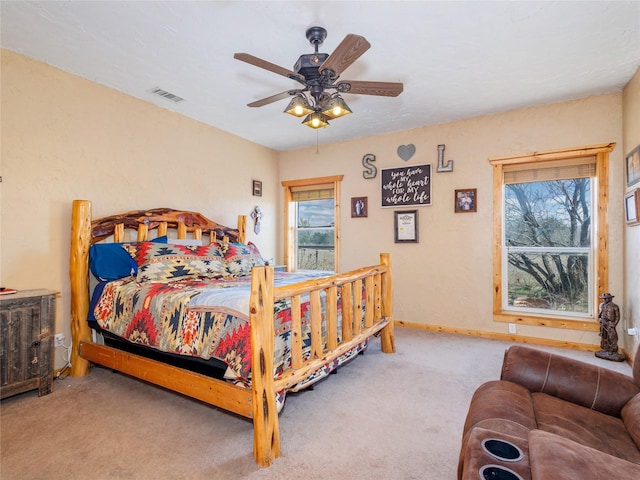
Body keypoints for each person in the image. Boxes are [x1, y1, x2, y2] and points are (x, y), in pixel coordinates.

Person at [596, 293, 624, 361]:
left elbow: (617, 316)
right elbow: (600, 313)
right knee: (604, 336)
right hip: (603, 322)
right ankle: (605, 349)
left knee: (612, 336)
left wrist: (614, 324)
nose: (604, 300)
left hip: (610, 322)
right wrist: (600, 319)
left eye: (606, 298)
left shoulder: (615, 306)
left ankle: (612, 350)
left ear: (610, 298)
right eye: (604, 298)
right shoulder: (601, 305)